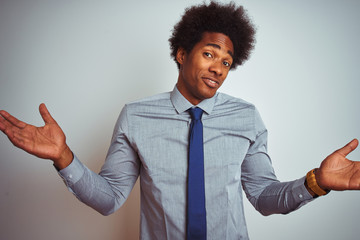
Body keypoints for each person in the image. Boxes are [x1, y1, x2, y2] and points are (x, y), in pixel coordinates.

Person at [0, 1, 359, 239]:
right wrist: (64, 157)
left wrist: (316, 182)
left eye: (226, 62)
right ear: (182, 53)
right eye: (209, 54)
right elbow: (109, 198)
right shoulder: (136, 116)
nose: (218, 68)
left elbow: (264, 198)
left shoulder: (246, 117)